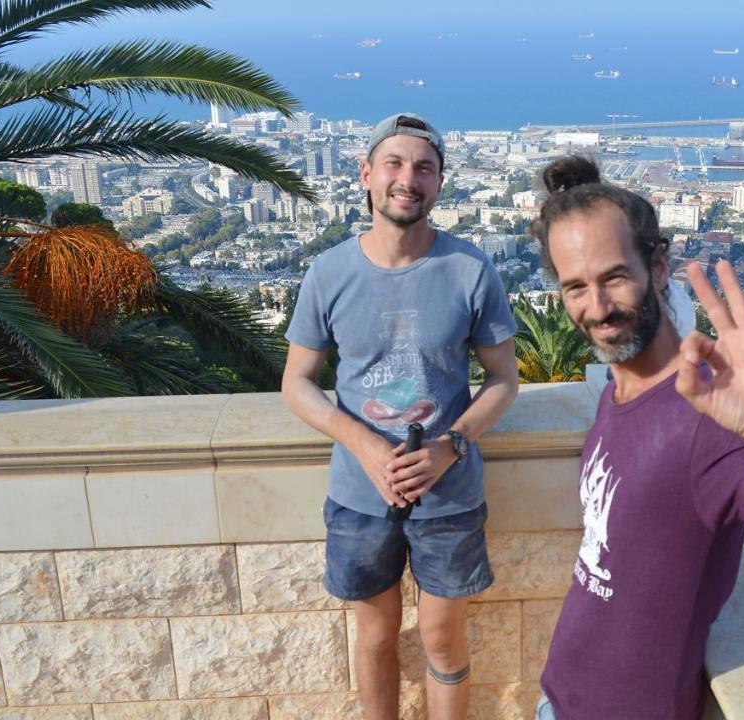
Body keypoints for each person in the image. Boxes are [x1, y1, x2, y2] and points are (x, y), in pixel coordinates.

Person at [531, 156, 744, 720]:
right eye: (575, 288)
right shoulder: (618, 394)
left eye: (614, 278)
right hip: (558, 699)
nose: (598, 308)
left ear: (658, 268)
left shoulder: (707, 417)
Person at [281, 112, 518, 720]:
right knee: (377, 635)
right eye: (394, 163)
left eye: (423, 168)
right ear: (366, 174)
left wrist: (451, 446)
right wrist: (362, 444)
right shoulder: (329, 273)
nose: (407, 178)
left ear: (439, 184)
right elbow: (298, 383)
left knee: (441, 635)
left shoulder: (470, 270)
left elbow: (503, 379)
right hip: (359, 496)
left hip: (449, 494)